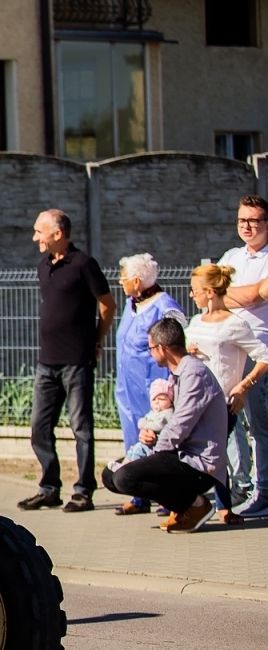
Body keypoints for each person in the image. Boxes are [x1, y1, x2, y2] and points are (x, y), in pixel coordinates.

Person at [20, 209, 115, 513]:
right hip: (46, 362)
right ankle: (49, 488)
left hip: (77, 361)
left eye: (39, 231)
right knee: (39, 428)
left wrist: (97, 340)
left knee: (81, 428)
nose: (35, 237)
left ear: (57, 234)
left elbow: (107, 305)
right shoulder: (43, 266)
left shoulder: (84, 264)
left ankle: (83, 492)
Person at [101, 317, 230, 533]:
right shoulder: (179, 373)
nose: (150, 353)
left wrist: (153, 456)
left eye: (150, 348)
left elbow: (181, 424)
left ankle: (194, 504)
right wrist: (150, 435)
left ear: (162, 348)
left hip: (199, 464)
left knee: (125, 477)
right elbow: (172, 421)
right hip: (180, 454)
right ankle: (184, 505)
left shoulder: (194, 374)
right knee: (110, 476)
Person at [188, 261, 268, 524]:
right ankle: (191, 502)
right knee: (195, 453)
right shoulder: (197, 320)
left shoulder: (236, 324)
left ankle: (222, 507)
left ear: (210, 292)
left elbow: (263, 356)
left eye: (195, 290)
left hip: (222, 401)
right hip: (194, 399)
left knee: (216, 454)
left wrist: (243, 387)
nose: (192, 295)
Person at [108, 253, 185, 516]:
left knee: (160, 444)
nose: (120, 282)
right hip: (129, 393)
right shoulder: (132, 304)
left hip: (156, 392)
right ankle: (139, 495)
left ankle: (166, 496)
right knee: (134, 442)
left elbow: (177, 346)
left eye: (124, 278)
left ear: (138, 281)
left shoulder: (165, 307)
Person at [221, 195, 268, 517]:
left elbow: (256, 295)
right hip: (230, 352)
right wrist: (238, 295)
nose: (247, 226)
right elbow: (210, 292)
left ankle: (264, 490)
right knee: (230, 422)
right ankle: (241, 485)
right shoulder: (232, 256)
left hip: (261, 353)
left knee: (260, 427)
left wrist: (227, 294)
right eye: (242, 221)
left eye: (254, 221)